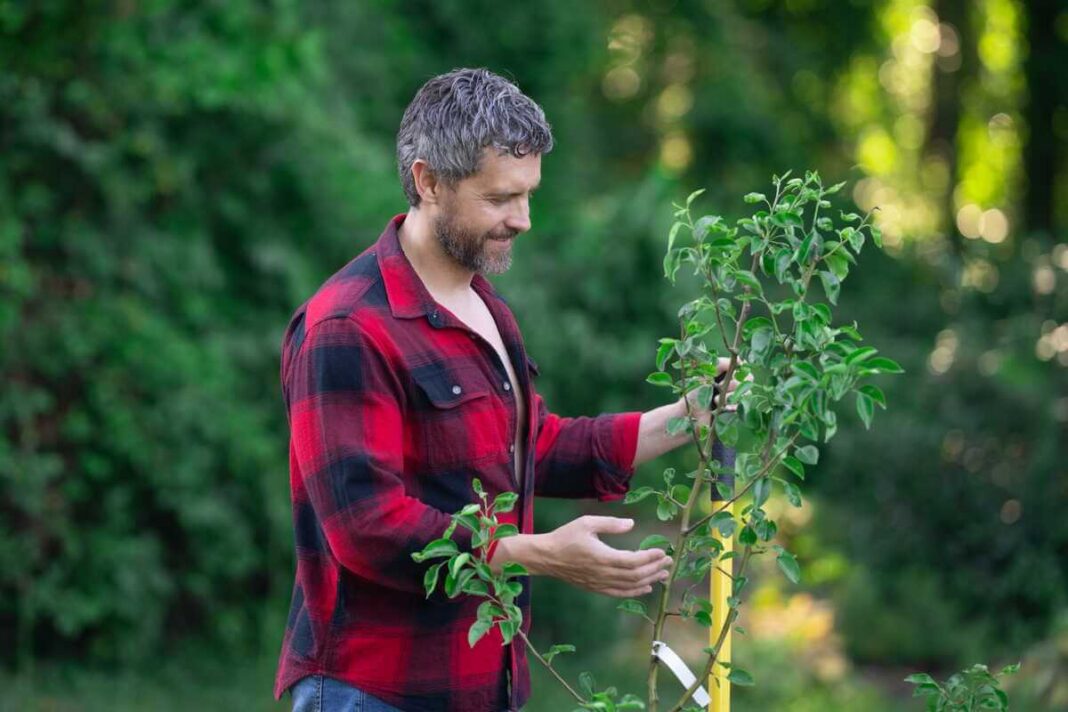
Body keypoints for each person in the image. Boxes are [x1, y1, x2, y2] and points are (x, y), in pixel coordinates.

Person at [273, 67, 739, 712]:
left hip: (482, 684)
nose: (521, 219)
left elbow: (529, 446)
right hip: (374, 690)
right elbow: (365, 525)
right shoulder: (348, 326)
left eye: (528, 195)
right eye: (499, 198)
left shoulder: (482, 305)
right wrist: (536, 554)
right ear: (428, 180)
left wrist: (687, 419)